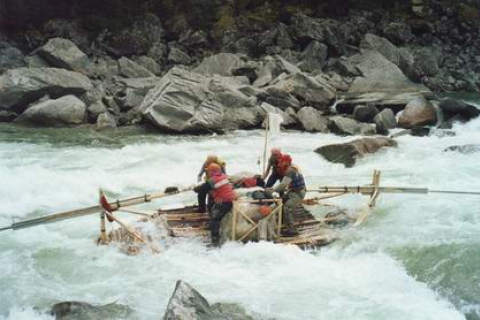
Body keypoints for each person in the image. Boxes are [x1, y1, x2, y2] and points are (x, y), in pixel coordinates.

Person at [194, 163, 237, 246]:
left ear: (213, 171)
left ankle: (215, 243)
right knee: (216, 217)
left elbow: (201, 190)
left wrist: (195, 188)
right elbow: (212, 189)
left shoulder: (212, 181)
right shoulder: (224, 176)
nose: (208, 173)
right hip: (230, 201)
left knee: (215, 221)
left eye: (209, 171)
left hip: (224, 203)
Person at [272, 154, 306, 237]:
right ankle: (285, 223)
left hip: (298, 193)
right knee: (282, 201)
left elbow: (283, 185)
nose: (279, 164)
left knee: (287, 208)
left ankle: (292, 231)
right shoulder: (293, 167)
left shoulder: (290, 171)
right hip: (294, 190)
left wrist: (273, 190)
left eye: (281, 162)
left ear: (286, 162)